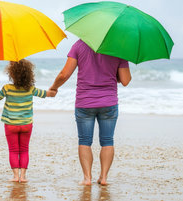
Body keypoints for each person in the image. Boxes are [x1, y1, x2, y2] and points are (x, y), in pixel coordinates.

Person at [48, 39, 132, 186]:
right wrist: (113, 74)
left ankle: (87, 178)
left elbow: (64, 74)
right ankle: (104, 177)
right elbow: (125, 80)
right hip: (109, 102)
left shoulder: (79, 45)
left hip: (84, 102)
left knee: (84, 141)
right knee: (107, 141)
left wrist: (54, 87)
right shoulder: (119, 48)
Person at [0, 59, 56, 183]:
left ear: (11, 74)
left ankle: (16, 176)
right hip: (26, 124)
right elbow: (48, 94)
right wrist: (54, 90)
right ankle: (23, 176)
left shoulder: (7, 88)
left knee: (13, 150)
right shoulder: (31, 89)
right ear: (28, 74)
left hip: (11, 124)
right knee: (24, 149)